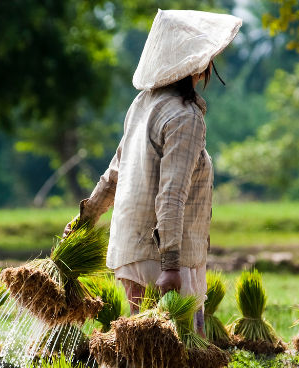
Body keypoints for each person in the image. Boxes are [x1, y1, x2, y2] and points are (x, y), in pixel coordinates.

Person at [64, 10, 242, 334]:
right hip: (161, 258)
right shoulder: (184, 117)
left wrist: (85, 220)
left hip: (132, 252)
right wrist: (171, 265)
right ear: (196, 63)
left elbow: (114, 173)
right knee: (179, 352)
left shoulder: (143, 104)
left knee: (145, 350)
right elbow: (171, 193)